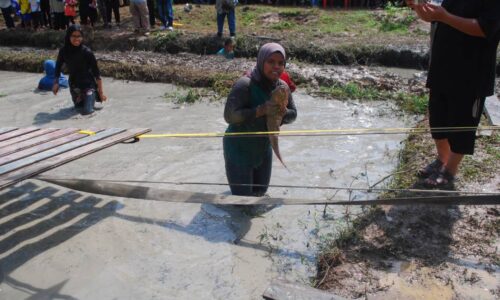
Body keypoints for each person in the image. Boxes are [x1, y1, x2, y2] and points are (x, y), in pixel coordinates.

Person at [406, 0, 500, 189]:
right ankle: (442, 159)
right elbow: (433, 16)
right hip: (442, 67)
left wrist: (445, 17)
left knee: (462, 125)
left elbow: (485, 28)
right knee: (438, 119)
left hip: (471, 74)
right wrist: (417, 6)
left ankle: (450, 170)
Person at [223, 43, 297, 196]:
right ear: (261, 61)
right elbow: (229, 116)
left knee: (260, 194)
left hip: (263, 148)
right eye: (270, 62)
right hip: (239, 149)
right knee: (241, 202)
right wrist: (260, 110)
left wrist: (283, 113)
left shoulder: (283, 87)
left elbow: (293, 115)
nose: (276, 67)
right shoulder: (245, 84)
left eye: (280, 63)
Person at [53, 25, 107, 115]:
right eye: (74, 36)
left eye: (79, 36)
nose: (77, 39)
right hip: (75, 86)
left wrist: (101, 93)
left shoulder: (87, 52)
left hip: (89, 86)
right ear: (68, 36)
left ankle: (93, 97)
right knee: (77, 109)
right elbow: (58, 67)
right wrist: (56, 82)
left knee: (87, 111)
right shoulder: (63, 51)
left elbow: (97, 75)